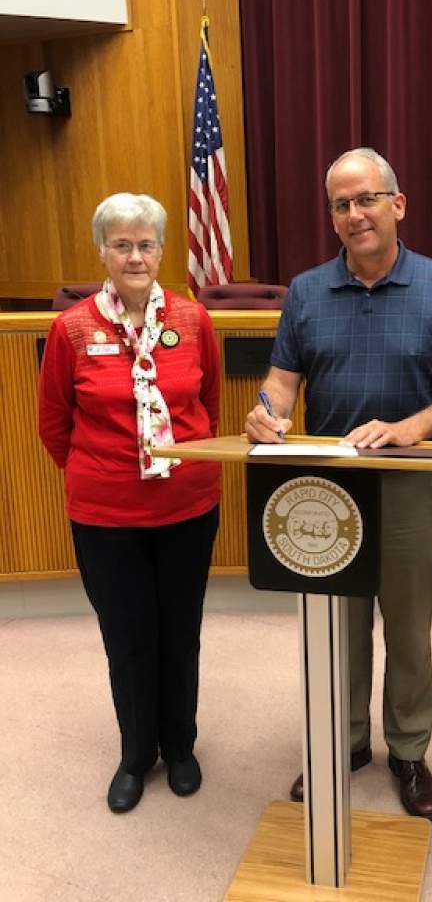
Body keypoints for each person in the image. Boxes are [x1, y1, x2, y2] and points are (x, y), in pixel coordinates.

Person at [245, 147, 432, 820]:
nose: (355, 215)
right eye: (341, 204)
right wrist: (267, 412)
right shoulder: (305, 291)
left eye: (366, 200)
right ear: (332, 216)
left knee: (408, 628)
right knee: (335, 623)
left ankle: (408, 751)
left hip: (408, 479)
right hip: (327, 486)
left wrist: (415, 427)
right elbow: (283, 380)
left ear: (397, 204)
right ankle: (344, 744)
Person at [38, 193, 221, 814]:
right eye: (122, 244)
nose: (135, 255)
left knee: (181, 633)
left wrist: (179, 463)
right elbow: (53, 423)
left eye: (146, 244)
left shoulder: (194, 320)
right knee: (128, 638)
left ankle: (182, 745)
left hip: (187, 509)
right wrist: (105, 473)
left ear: (162, 250)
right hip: (105, 516)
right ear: (103, 253)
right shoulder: (73, 328)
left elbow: (209, 405)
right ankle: (136, 753)